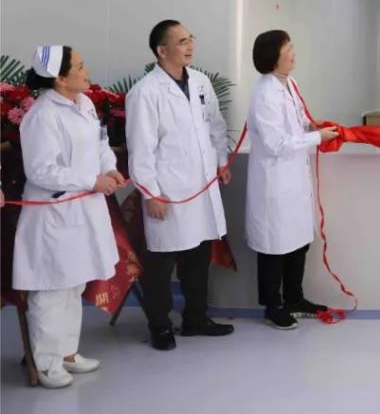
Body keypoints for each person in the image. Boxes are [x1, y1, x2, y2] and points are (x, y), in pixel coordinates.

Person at [13, 45, 126, 388]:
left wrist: (110, 168)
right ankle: (47, 363)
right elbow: (41, 170)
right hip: (54, 214)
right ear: (60, 79)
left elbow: (101, 143)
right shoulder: (42, 116)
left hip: (84, 211)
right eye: (79, 66)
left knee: (74, 281)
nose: (86, 70)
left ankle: (66, 353)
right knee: (52, 287)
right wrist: (92, 180)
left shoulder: (85, 103)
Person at [126, 20, 234, 350]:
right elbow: (141, 148)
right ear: (162, 51)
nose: (190, 46)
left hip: (202, 186)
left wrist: (221, 160)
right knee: (161, 263)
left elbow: (215, 124)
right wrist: (151, 193)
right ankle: (160, 326)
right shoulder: (145, 92)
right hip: (168, 191)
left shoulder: (200, 82)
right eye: (182, 41)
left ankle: (195, 318)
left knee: (199, 255)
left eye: (191, 39)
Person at [246, 30, 338, 330]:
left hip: (295, 180)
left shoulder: (290, 83)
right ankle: (273, 306)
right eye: (289, 49)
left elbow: (297, 121)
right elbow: (276, 142)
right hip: (274, 181)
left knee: (299, 243)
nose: (293, 53)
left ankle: (295, 299)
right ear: (274, 57)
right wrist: (316, 137)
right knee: (274, 247)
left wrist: (313, 126)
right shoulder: (264, 94)